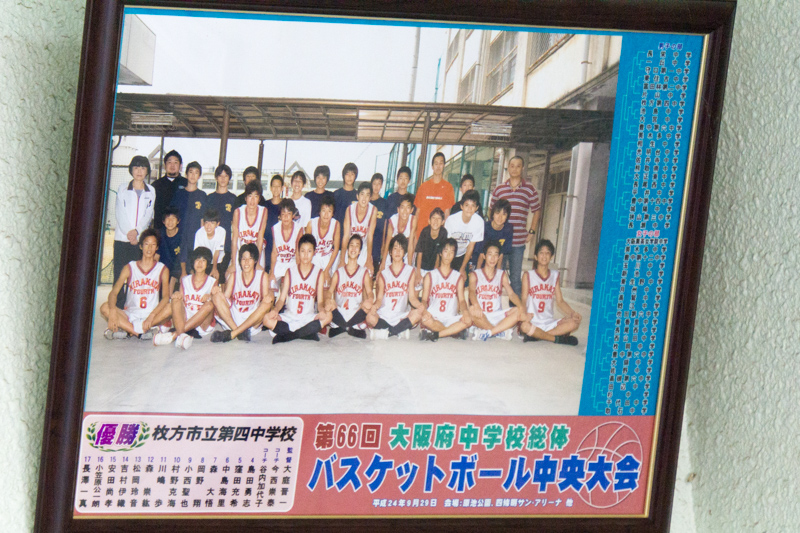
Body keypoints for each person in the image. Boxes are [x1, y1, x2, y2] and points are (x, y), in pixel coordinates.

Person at [489, 154, 542, 302]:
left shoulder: (529, 189)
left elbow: (537, 210)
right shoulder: (499, 189)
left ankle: (515, 312)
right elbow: (491, 210)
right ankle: (494, 307)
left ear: (522, 168)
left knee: (515, 279)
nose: (515, 169)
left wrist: (532, 231)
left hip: (518, 242)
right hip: (499, 241)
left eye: (518, 166)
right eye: (512, 166)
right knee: (495, 276)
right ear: (508, 168)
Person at [101, 229, 170, 339]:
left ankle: (128, 330)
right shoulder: (130, 267)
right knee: (105, 307)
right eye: (146, 244)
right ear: (141, 246)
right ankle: (139, 333)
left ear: (157, 248)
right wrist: (113, 311)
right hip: (130, 314)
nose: (149, 248)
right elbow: (114, 293)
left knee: (171, 306)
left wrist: (152, 315)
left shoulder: (162, 269)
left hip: (152, 315)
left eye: (153, 245)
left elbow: (166, 297)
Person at [263, 234, 332, 343]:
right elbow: (281, 299)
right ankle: (306, 333)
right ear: (298, 252)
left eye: (309, 251)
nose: (306, 255)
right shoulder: (290, 272)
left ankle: (288, 336)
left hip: (308, 317)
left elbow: (320, 302)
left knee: (329, 316)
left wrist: (322, 310)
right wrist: (275, 310)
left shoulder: (319, 273)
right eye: (303, 251)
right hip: (290, 316)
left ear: (314, 252)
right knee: (266, 319)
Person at [153, 246, 217, 349]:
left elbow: (215, 300)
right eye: (197, 260)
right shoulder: (185, 280)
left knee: (209, 305)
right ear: (193, 262)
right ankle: (182, 335)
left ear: (208, 263)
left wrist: (210, 296)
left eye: (203, 260)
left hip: (202, 324)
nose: (200, 263)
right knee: (175, 299)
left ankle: (175, 334)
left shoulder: (212, 281)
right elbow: (180, 303)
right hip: (185, 319)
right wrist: (177, 295)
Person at [519, 239, 581, 345]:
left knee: (574, 323)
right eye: (541, 253)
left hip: (549, 322)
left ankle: (537, 336)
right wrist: (524, 315)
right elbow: (524, 299)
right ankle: (556, 339)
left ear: (551, 256)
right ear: (536, 256)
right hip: (532, 321)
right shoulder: (528, 275)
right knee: (524, 326)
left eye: (547, 253)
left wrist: (573, 313)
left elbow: (560, 301)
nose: (544, 256)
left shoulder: (554, 275)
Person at [114, 155, 156, 306]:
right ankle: (118, 307)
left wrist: (137, 232)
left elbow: (148, 214)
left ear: (147, 171)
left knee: (136, 275)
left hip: (139, 240)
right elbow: (120, 212)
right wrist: (129, 233)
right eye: (136, 168)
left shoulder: (151, 190)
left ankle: (132, 306)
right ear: (131, 170)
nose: (139, 171)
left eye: (143, 168)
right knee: (119, 275)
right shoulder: (122, 188)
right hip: (122, 239)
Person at [210, 243, 272, 342]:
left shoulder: (262, 276)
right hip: (233, 319)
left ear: (255, 260)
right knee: (216, 296)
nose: (246, 262)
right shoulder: (234, 276)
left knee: (268, 302)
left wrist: (270, 296)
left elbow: (265, 301)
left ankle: (233, 333)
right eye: (243, 259)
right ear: (240, 260)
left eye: (250, 259)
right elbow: (225, 299)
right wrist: (217, 292)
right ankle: (239, 332)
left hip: (252, 321)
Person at [366, 234, 423, 339]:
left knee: (418, 314)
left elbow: (412, 298)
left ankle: (387, 332)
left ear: (404, 252)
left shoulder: (410, 271)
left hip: (401, 315)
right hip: (384, 314)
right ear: (390, 252)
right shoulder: (384, 274)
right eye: (395, 248)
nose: (397, 252)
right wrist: (375, 306)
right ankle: (399, 330)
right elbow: (379, 299)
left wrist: (420, 305)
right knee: (369, 317)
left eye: (401, 249)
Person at [468, 240, 523, 341]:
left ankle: (489, 332)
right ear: (484, 256)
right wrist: (476, 305)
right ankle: (499, 332)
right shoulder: (475, 274)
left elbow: (511, 294)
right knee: (471, 310)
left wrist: (521, 307)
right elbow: (471, 292)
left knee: (518, 310)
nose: (493, 258)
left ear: (499, 257)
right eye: (490, 254)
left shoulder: (502, 274)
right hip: (482, 314)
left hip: (497, 315)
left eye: (495, 255)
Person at [419, 238, 471, 341]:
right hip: (434, 316)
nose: (448, 255)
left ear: (454, 255)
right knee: (426, 320)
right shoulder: (430, 275)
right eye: (446, 251)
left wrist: (465, 311)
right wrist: (424, 311)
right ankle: (454, 332)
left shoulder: (458, 277)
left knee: (468, 320)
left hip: (451, 317)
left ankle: (436, 334)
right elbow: (424, 299)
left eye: (451, 252)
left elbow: (462, 300)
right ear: (440, 253)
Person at [325, 234, 373, 339]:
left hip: (356, 312)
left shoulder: (363, 272)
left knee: (367, 306)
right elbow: (329, 292)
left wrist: (370, 299)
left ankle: (342, 326)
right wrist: (329, 299)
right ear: (347, 249)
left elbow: (370, 292)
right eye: (351, 245)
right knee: (329, 305)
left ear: (360, 251)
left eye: (357, 246)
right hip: (340, 311)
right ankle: (351, 327)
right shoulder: (338, 272)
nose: (354, 248)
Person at [170, 161, 207, 278]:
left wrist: (201, 238)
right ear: (186, 174)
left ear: (199, 176)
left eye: (196, 173)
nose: (193, 175)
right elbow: (172, 216)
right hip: (179, 236)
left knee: (192, 270)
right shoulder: (179, 194)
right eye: (191, 172)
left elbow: (203, 219)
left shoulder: (202, 195)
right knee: (175, 272)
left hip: (194, 238)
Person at [205, 164, 237, 277]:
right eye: (220, 176)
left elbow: (235, 225)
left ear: (229, 178)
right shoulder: (209, 198)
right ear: (216, 178)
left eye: (226, 176)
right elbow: (204, 222)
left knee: (222, 277)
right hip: (210, 243)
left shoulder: (233, 199)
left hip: (226, 244)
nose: (223, 179)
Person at [444, 189, 484, 279]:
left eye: (473, 205)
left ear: (477, 208)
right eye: (466, 205)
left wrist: (462, 268)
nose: (469, 208)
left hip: (463, 255)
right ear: (461, 206)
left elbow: (471, 246)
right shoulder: (451, 220)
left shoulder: (479, 222)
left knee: (462, 279)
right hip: (448, 253)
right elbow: (446, 245)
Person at [414, 152, 455, 238]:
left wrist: (445, 233)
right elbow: (418, 212)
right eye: (436, 164)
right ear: (432, 166)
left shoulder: (448, 187)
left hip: (439, 234)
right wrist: (414, 231)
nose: (438, 166)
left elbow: (447, 213)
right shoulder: (423, 187)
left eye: (441, 163)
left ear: (444, 165)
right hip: (422, 233)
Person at [231, 180, 268, 271]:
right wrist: (233, 263)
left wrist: (257, 262)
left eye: (256, 196)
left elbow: (260, 238)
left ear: (259, 199)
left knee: (260, 275)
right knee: (230, 275)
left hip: (256, 253)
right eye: (250, 196)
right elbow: (234, 239)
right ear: (245, 198)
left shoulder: (263, 211)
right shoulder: (238, 212)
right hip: (240, 253)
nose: (252, 200)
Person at [341, 182, 377, 273]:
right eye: (362, 194)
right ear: (357, 196)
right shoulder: (350, 209)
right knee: (342, 271)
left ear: (370, 198)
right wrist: (341, 259)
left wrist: (369, 260)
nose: (364, 198)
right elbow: (346, 236)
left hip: (364, 246)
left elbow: (370, 237)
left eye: (367, 195)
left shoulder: (373, 210)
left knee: (368, 272)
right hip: (350, 244)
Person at [269, 198, 304, 292]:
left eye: (288, 214)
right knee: (270, 287)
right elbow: (274, 252)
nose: (286, 217)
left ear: (293, 215)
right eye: (283, 214)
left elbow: (298, 253)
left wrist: (299, 272)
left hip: (292, 264)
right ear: (280, 216)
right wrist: (271, 272)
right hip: (279, 263)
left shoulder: (298, 229)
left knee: (289, 286)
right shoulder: (276, 228)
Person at [307, 193, 339, 289]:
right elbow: (307, 248)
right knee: (312, 287)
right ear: (319, 212)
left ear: (333, 213)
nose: (326, 214)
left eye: (329, 211)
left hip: (328, 260)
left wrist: (327, 270)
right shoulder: (311, 224)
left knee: (326, 286)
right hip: (313, 258)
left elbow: (336, 249)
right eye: (323, 210)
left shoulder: (336, 224)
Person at [380, 193, 416, 272]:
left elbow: (411, 245)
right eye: (402, 207)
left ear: (411, 210)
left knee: (407, 272)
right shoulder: (393, 220)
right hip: (394, 249)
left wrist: (409, 266)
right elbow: (388, 242)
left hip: (406, 251)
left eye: (408, 208)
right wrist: (383, 263)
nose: (405, 211)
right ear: (398, 209)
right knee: (386, 271)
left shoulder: (413, 220)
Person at [414, 207, 448, 290]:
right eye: (433, 218)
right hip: (421, 266)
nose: (435, 221)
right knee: (416, 287)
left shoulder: (443, 233)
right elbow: (419, 253)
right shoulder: (425, 231)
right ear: (429, 221)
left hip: (433, 267)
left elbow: (439, 255)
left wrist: (434, 273)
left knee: (431, 289)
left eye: (439, 219)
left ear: (443, 222)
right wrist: (418, 273)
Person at [152, 149, 186, 230]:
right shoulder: (156, 185)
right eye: (169, 162)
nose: (172, 165)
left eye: (175, 162)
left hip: (181, 230)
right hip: (160, 230)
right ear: (165, 165)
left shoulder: (186, 184)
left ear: (180, 166)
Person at [476, 199, 513, 270]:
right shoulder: (485, 227)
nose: (500, 217)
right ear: (493, 214)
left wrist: (498, 273)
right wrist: (478, 272)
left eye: (504, 214)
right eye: (497, 213)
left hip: (496, 260)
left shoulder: (508, 229)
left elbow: (501, 253)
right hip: (481, 260)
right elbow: (481, 254)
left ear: (507, 216)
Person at [193, 208, 226, 281]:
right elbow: (199, 253)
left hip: (217, 261)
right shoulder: (199, 233)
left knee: (219, 279)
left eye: (212, 223)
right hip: (204, 260)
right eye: (206, 222)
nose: (208, 226)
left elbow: (217, 251)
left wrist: (214, 268)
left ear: (217, 224)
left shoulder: (221, 231)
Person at [155, 206, 183, 292]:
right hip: (163, 270)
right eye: (167, 218)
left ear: (178, 221)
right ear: (163, 221)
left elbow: (182, 261)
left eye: (173, 218)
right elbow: (156, 256)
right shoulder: (159, 234)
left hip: (177, 272)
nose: (170, 221)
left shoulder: (182, 236)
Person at [264, 174, 284, 273]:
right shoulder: (265, 205)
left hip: (281, 246)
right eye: (274, 186)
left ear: (282, 188)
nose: (276, 189)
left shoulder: (286, 205)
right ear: (270, 188)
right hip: (267, 244)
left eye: (278, 186)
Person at [369, 173, 389, 274]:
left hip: (377, 240)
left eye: (379, 184)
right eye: (374, 184)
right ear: (371, 184)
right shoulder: (366, 202)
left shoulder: (384, 203)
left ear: (381, 185)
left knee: (375, 269)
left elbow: (385, 224)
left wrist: (383, 244)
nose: (376, 187)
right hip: (366, 239)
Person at [333, 162, 358, 227]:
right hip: (337, 229)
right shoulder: (336, 194)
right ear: (343, 176)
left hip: (352, 230)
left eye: (352, 174)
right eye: (347, 174)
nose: (349, 177)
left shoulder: (358, 196)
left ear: (355, 176)